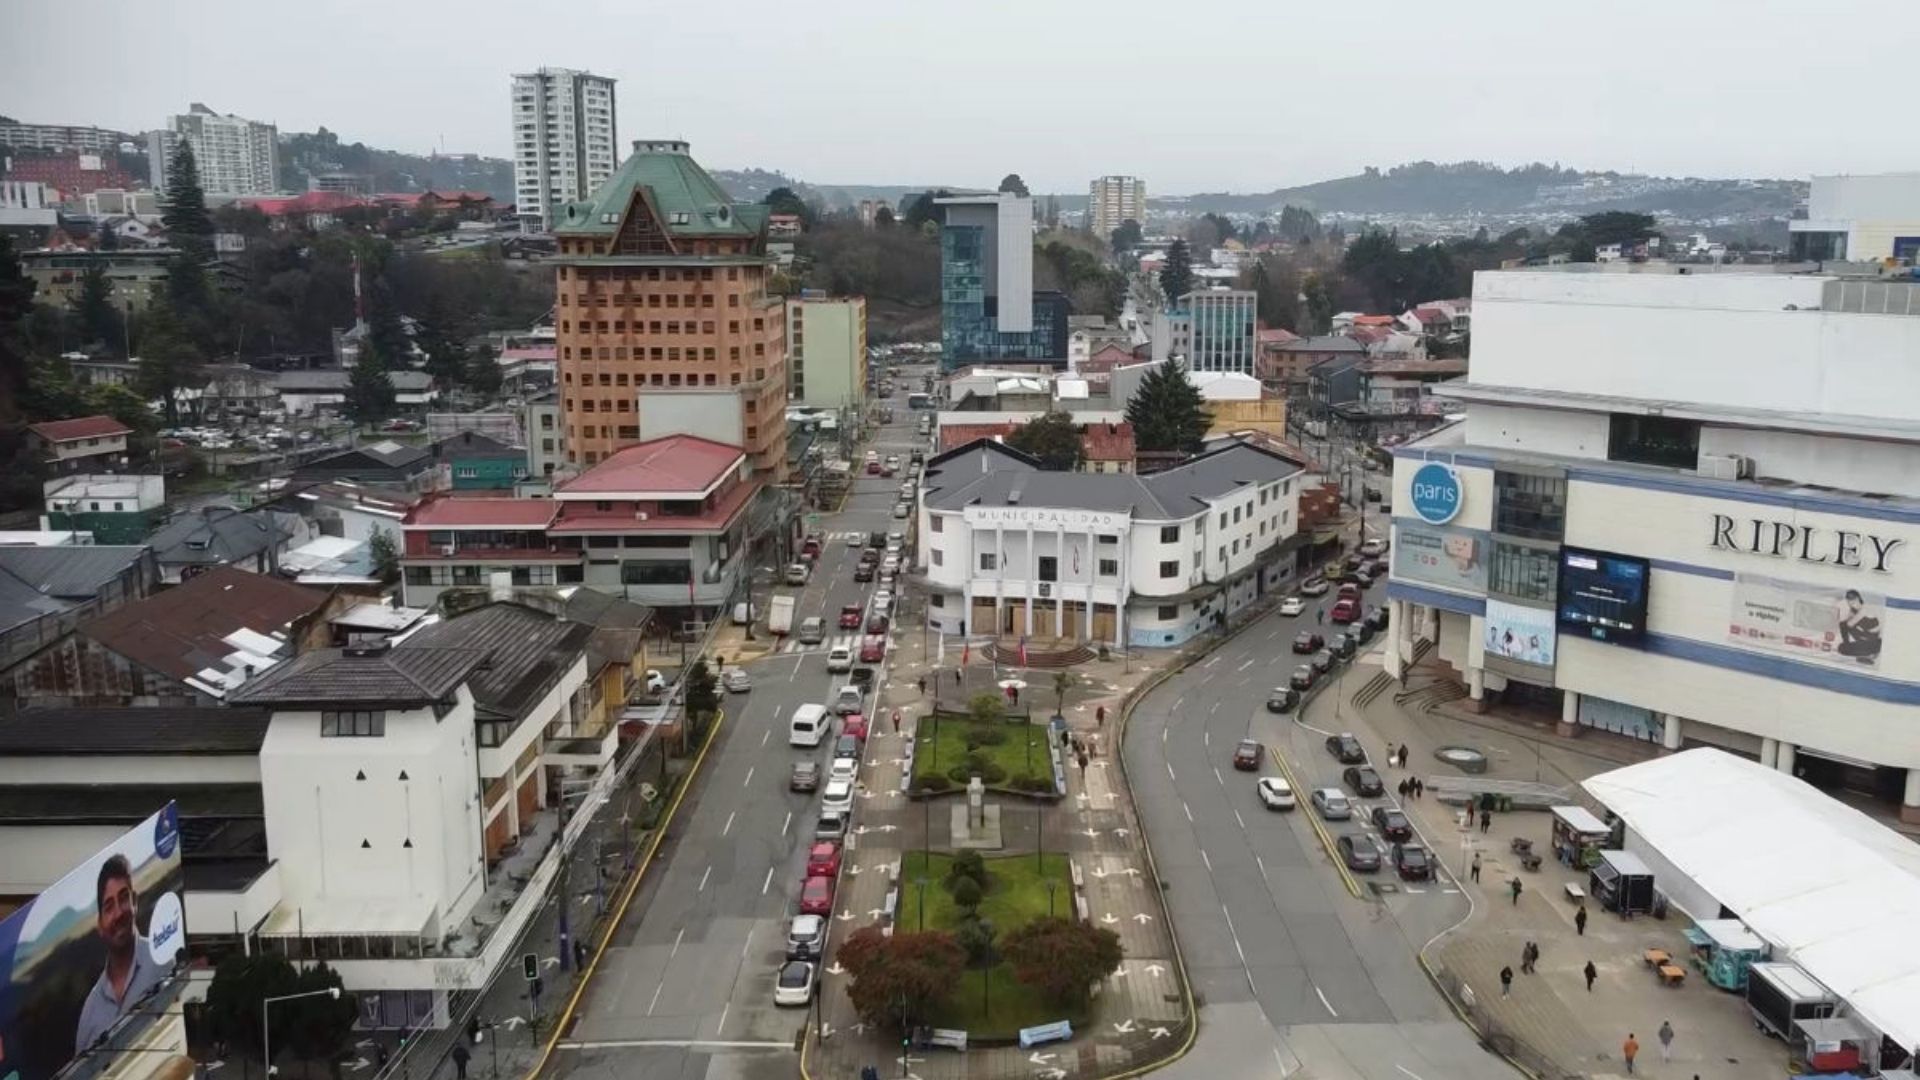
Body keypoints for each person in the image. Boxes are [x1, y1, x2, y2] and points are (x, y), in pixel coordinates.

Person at [75, 854, 166, 1051]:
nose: (118, 913)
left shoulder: (162, 961)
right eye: (108, 907)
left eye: (124, 898)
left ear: (135, 902)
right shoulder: (90, 1011)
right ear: (100, 925)